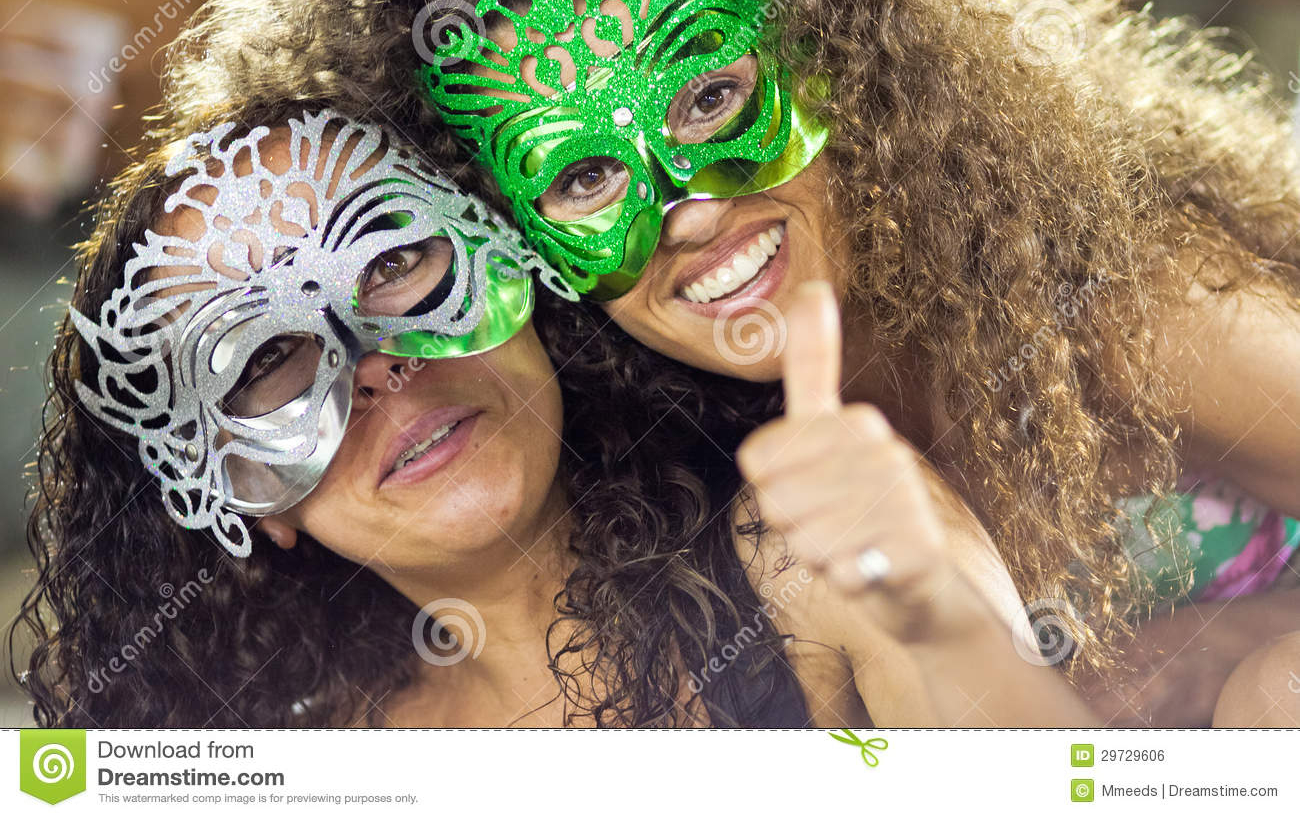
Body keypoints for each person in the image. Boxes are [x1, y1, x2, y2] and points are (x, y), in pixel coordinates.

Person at [398, 0, 1300, 724]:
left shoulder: (1114, 308)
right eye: (586, 176)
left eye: (710, 96)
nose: (690, 208)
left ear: (837, 62)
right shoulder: (698, 499)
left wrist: (1211, 660)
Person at [12, 102, 1097, 727]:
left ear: (513, 271)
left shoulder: (808, 569)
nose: (381, 366)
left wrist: (940, 626)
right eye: (268, 361)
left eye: (392, 262)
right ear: (240, 500)